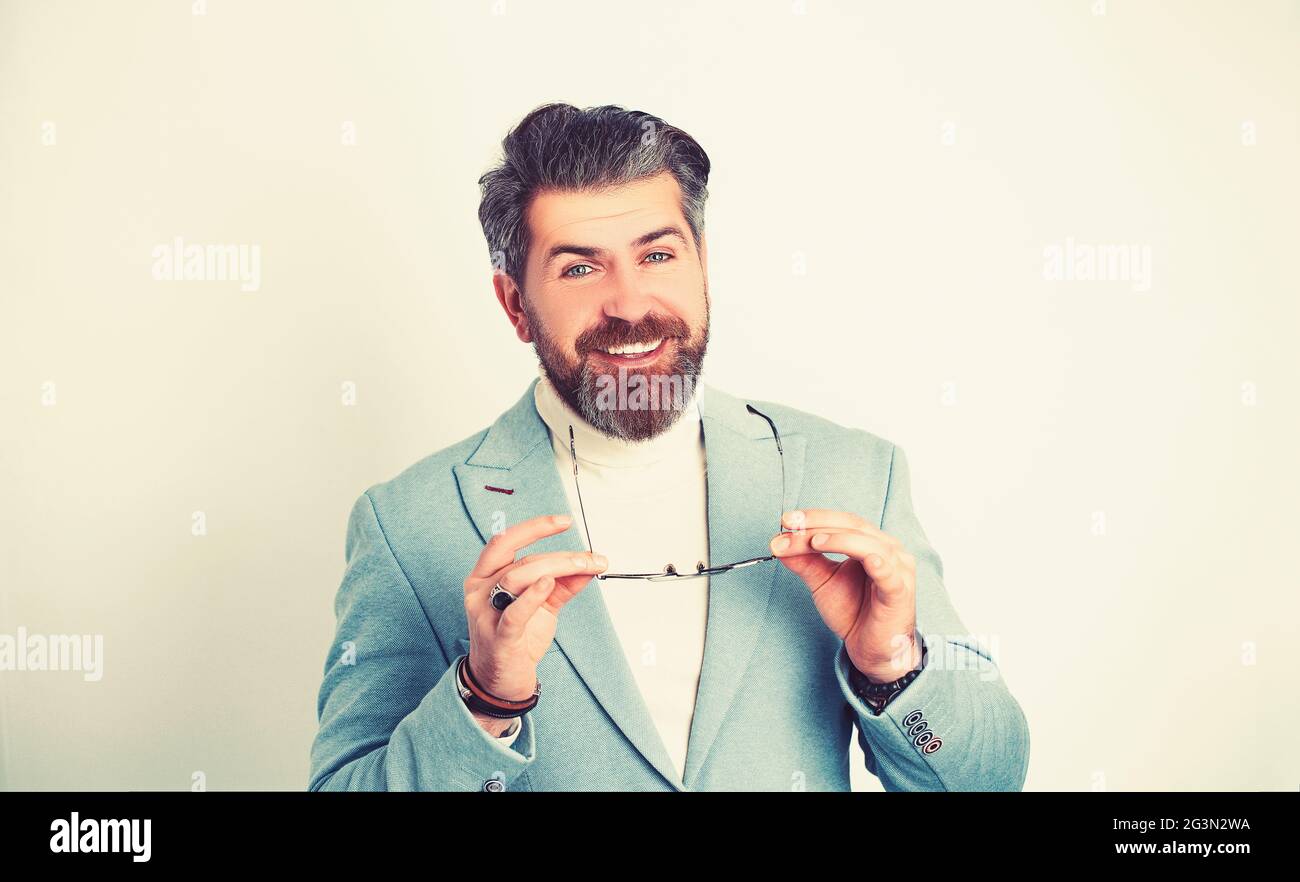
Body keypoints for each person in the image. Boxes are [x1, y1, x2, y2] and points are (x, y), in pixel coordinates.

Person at [308, 103, 1030, 792]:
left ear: (702, 263)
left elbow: (985, 781)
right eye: (580, 268)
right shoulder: (408, 525)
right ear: (515, 305)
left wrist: (892, 667)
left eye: (656, 254)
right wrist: (482, 701)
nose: (629, 303)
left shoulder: (854, 473)